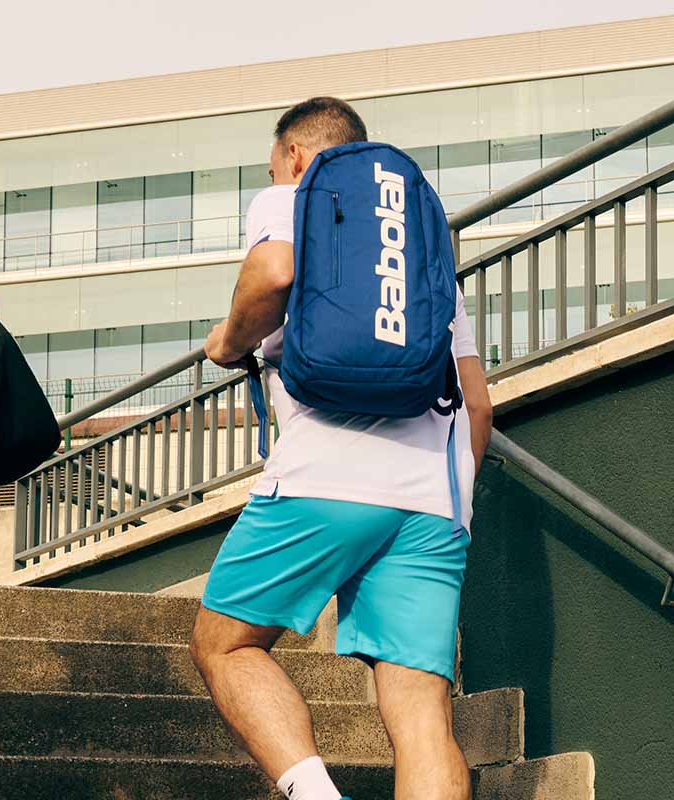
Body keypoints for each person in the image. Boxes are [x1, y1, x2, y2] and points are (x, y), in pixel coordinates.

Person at [190, 97, 493, 800]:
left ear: (296, 156)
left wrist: (227, 342)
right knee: (421, 710)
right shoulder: (423, 251)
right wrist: (451, 505)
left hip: (328, 471)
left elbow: (273, 272)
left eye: (275, 166)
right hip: (437, 492)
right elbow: (479, 405)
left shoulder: (294, 195)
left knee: (225, 644)